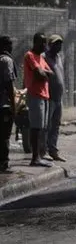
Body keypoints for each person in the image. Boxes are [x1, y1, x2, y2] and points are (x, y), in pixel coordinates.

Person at [23, 32, 53, 167]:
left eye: (45, 42)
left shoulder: (41, 58)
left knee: (42, 127)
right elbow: (39, 74)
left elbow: (50, 73)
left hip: (44, 95)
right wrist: (43, 73)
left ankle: (40, 156)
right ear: (35, 42)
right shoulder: (30, 55)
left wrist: (44, 73)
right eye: (42, 42)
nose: (44, 45)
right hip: (35, 94)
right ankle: (35, 158)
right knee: (36, 127)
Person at [43, 34, 66, 162]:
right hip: (49, 97)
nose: (59, 46)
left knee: (56, 125)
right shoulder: (44, 57)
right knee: (47, 125)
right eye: (56, 43)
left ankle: (53, 150)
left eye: (60, 43)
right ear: (49, 45)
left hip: (59, 98)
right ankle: (44, 151)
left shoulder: (59, 57)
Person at [0, 36, 15, 173]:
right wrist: (14, 105)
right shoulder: (6, 60)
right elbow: (9, 84)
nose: (12, 47)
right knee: (5, 136)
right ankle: (4, 164)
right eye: (10, 44)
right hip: (4, 106)